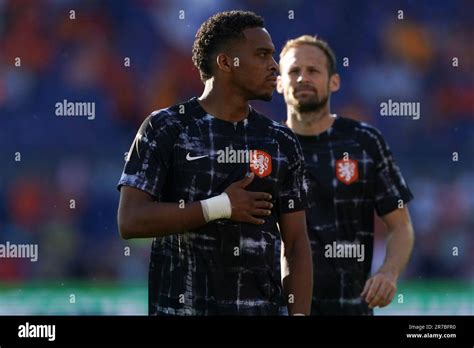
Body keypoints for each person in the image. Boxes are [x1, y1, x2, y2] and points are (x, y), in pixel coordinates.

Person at [117, 11, 312, 315]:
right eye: (262, 55)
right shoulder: (167, 128)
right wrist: (220, 206)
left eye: (273, 56)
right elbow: (130, 220)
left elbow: (297, 244)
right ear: (225, 63)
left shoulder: (281, 141)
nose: (275, 66)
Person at [277, 35, 415, 315]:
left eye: (313, 71)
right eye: (294, 71)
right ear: (279, 83)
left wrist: (388, 273)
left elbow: (401, 226)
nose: (303, 78)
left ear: (334, 82)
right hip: (279, 308)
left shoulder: (365, 142)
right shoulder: (265, 146)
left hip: (350, 308)